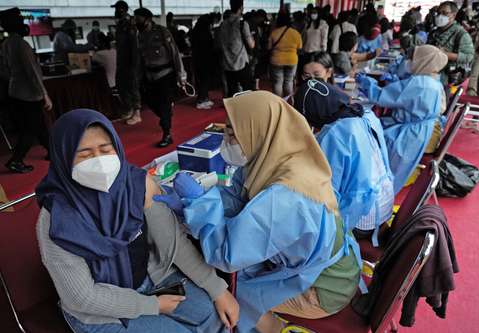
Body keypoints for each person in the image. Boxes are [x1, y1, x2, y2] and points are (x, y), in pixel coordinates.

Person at [154, 91, 361, 333]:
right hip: (329, 266)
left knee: (230, 293)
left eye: (234, 133)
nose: (226, 139)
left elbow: (226, 254)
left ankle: (276, 329)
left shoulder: (285, 198)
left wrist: (198, 204)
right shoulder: (278, 158)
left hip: (323, 288)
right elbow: (238, 198)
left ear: (259, 131)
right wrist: (194, 204)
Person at [35, 109, 239, 333]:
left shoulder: (136, 185)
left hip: (153, 279)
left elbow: (174, 244)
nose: (99, 162)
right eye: (84, 155)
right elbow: (82, 297)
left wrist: (217, 289)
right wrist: (152, 305)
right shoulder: (57, 220)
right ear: (63, 159)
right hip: (101, 311)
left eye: (105, 150)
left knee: (213, 314)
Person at [294, 79, 394, 245]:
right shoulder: (365, 114)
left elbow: (326, 190)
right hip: (383, 206)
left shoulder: (334, 134)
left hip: (360, 219)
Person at [356, 45, 448, 194]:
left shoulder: (420, 84)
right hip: (418, 131)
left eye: (413, 59)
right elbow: (405, 96)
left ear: (423, 61)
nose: (409, 61)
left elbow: (382, 97)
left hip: (407, 135)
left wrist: (367, 84)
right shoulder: (432, 81)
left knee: (375, 150)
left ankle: (373, 195)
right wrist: (396, 83)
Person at [0, 7, 52, 173]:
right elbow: (32, 72)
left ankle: (53, 151)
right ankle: (16, 160)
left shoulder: (6, 44)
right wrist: (45, 94)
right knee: (31, 128)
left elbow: (4, 70)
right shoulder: (21, 44)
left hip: (15, 91)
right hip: (29, 93)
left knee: (39, 126)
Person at [134, 7, 186, 148]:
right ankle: (166, 113)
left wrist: (181, 75)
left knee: (163, 104)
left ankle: (167, 134)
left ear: (148, 19)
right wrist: (138, 77)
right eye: (135, 19)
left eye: (138, 19)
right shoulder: (140, 36)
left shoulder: (162, 32)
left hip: (165, 74)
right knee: (150, 101)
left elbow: (175, 53)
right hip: (149, 76)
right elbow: (140, 59)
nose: (136, 22)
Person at [428, 1, 475, 84]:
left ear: (454, 15)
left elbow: (469, 57)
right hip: (429, 73)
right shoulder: (434, 32)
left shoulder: (460, 34)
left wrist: (446, 54)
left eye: (444, 13)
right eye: (438, 13)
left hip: (445, 78)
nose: (440, 16)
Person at [112, 0, 142, 125]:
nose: (115, 12)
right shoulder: (121, 24)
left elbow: (134, 44)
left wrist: (135, 64)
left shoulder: (130, 23)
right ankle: (129, 109)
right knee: (121, 85)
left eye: (116, 9)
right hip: (122, 60)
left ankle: (137, 113)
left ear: (122, 9)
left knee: (132, 86)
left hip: (130, 61)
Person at [217, 0, 255, 97]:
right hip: (241, 62)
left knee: (232, 92)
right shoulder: (242, 24)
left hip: (227, 63)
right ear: (241, 7)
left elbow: (219, 44)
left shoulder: (222, 25)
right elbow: (251, 45)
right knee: (248, 90)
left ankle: (234, 111)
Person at [268, 11, 302, 97]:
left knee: (278, 82)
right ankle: (287, 101)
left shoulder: (274, 32)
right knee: (289, 81)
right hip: (292, 60)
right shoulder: (296, 33)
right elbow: (299, 47)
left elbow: (269, 47)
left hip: (276, 60)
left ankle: (279, 101)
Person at [191, 14, 216, 109]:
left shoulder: (195, 32)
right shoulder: (205, 33)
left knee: (202, 79)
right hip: (205, 59)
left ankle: (204, 98)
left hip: (197, 59)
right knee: (205, 80)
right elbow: (209, 46)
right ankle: (201, 101)